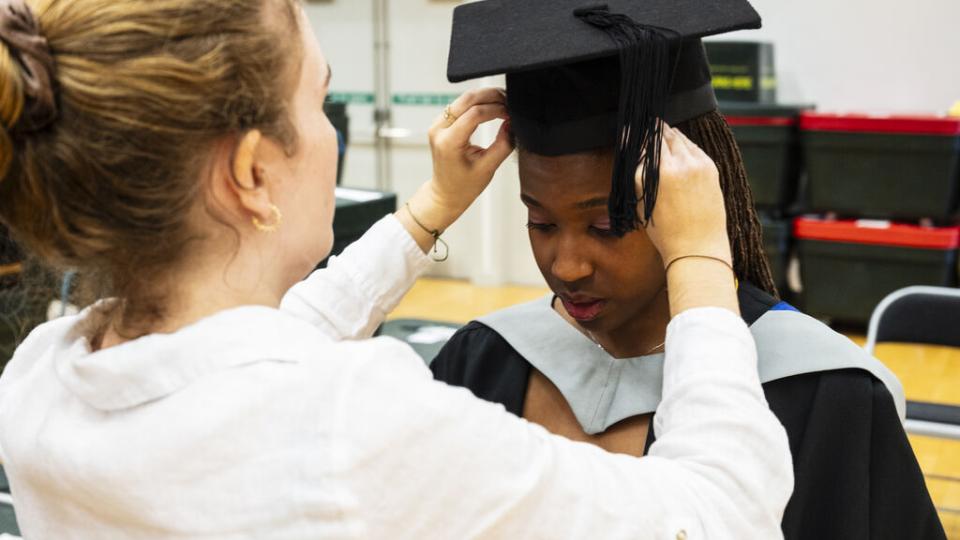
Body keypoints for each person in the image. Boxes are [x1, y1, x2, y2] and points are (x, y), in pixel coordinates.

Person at [0, 0, 795, 538]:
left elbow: (253, 357)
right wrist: (697, 255)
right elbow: (719, 514)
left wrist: (427, 213)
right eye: (320, 102)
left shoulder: (43, 377)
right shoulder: (353, 420)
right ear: (251, 173)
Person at [432, 1, 946, 539]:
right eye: (540, 222)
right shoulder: (482, 362)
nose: (567, 265)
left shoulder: (823, 392)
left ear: (689, 196)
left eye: (608, 226)